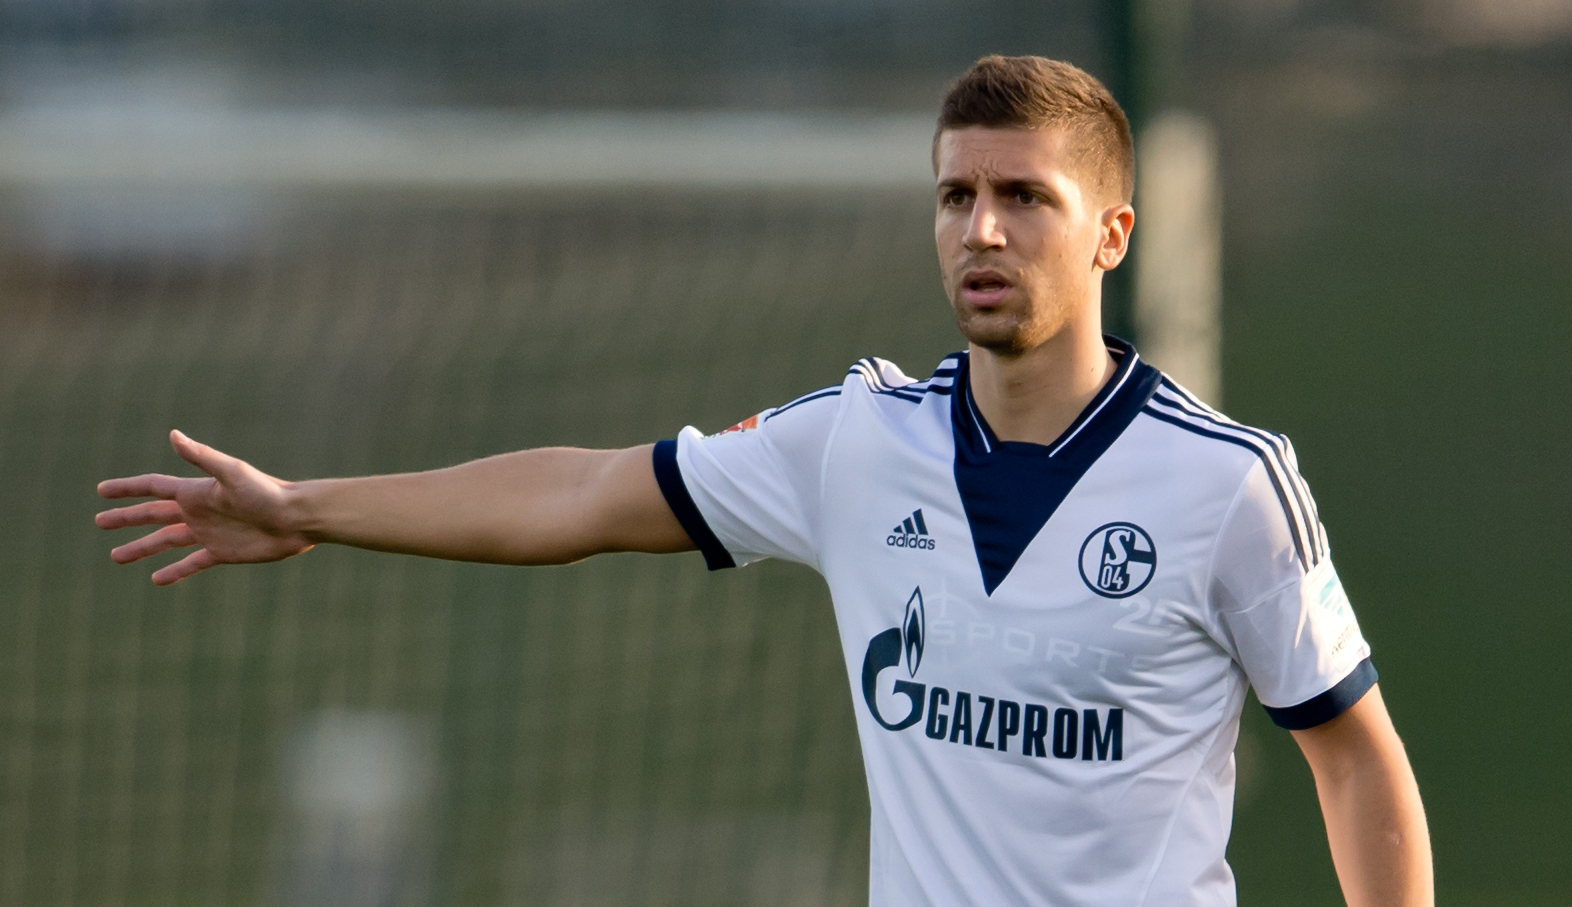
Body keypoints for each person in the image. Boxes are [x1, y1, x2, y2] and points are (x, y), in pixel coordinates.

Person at [96, 55, 1431, 907]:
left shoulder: (1228, 484)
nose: (980, 228)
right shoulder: (856, 443)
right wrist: (306, 509)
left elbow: (1356, 760)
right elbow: (579, 496)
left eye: (1024, 196)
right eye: (956, 193)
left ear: (1112, 235)